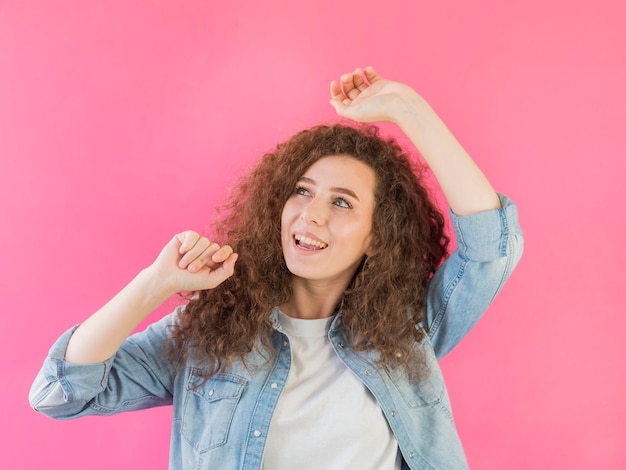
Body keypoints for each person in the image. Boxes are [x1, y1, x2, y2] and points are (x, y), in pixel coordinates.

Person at [30, 67, 523, 469]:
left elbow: (491, 247)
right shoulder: (211, 331)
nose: (311, 213)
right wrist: (155, 284)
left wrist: (406, 108)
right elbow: (59, 393)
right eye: (303, 191)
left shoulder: (408, 330)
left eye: (343, 203)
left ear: (378, 238)